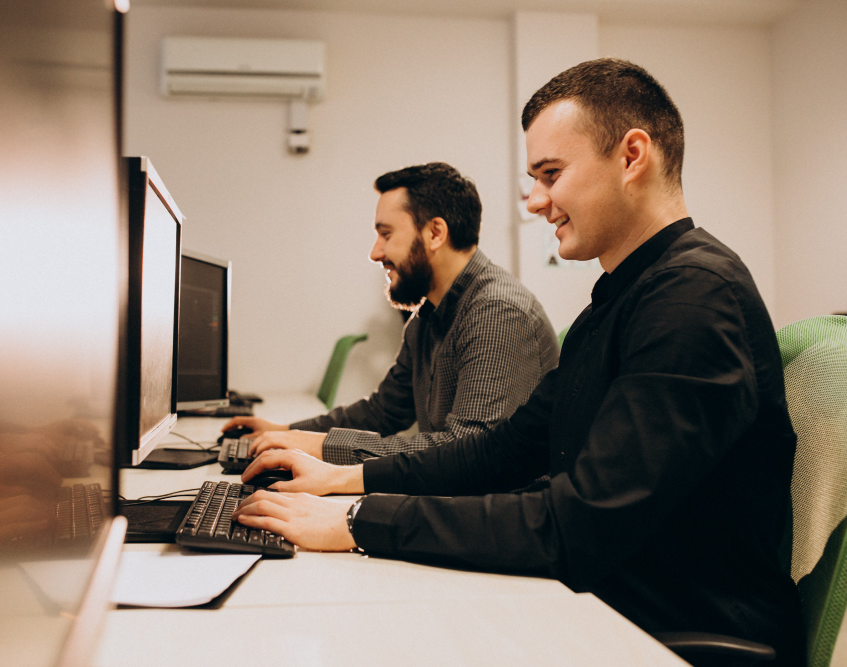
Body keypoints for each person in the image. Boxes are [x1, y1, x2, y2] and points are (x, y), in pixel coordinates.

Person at [233, 59, 805, 665]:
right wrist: (346, 481)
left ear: (632, 156)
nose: (534, 202)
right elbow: (504, 450)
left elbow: (577, 526)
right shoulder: (622, 296)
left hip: (672, 636)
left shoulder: (693, 298)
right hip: (606, 601)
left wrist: (357, 520)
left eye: (550, 175)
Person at [224, 162, 558, 465]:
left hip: (493, 521)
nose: (375, 252)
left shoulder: (497, 314)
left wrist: (320, 446)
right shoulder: (427, 317)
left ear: (435, 233)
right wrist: (285, 432)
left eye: (386, 234)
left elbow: (467, 449)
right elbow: (383, 411)